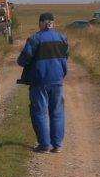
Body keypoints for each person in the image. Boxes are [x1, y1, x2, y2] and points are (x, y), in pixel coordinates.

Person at [17, 12, 69, 153]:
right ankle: (57, 145)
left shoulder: (35, 39)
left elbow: (22, 61)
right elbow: (66, 56)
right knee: (57, 112)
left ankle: (44, 145)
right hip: (57, 80)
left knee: (40, 112)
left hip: (39, 81)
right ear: (53, 23)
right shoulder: (62, 39)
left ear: (41, 23)